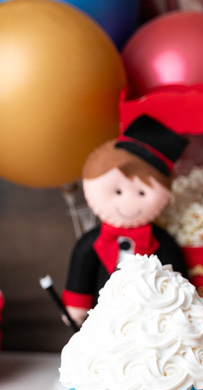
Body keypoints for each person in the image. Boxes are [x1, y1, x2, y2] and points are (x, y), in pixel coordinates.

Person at [62, 115, 188, 327]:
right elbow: (81, 273)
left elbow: (176, 277)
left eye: (141, 192)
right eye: (118, 191)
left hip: (150, 321)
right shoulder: (91, 242)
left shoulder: (162, 243)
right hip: (102, 317)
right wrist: (76, 307)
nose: (128, 201)